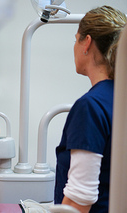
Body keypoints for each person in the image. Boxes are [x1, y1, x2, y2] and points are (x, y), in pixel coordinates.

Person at [54, 5, 126, 213]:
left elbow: (79, 200)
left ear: (86, 43)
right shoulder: (120, 98)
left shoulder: (91, 107)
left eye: (76, 39)